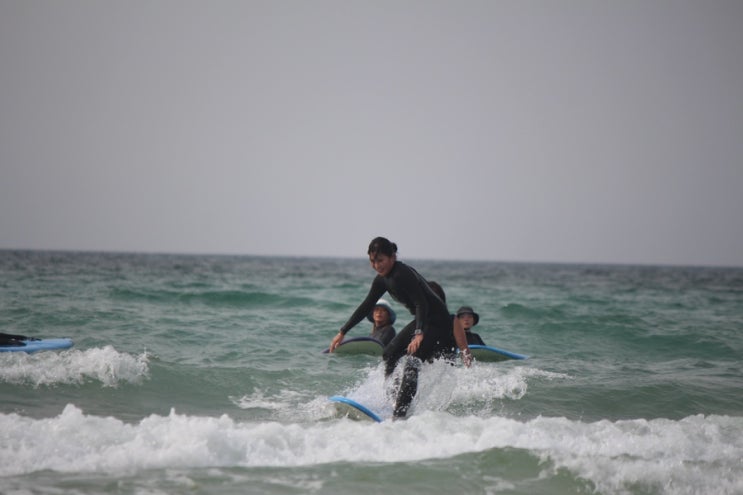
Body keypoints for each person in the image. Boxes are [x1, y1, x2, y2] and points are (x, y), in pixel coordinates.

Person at [329, 237, 469, 418]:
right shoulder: (382, 280)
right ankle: (392, 399)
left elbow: (421, 303)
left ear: (392, 257)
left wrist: (418, 333)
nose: (377, 266)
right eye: (372, 261)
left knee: (412, 361)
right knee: (389, 353)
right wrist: (343, 331)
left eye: (380, 260)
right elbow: (366, 306)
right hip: (424, 321)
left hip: (438, 322)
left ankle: (400, 414)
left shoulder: (402, 274)